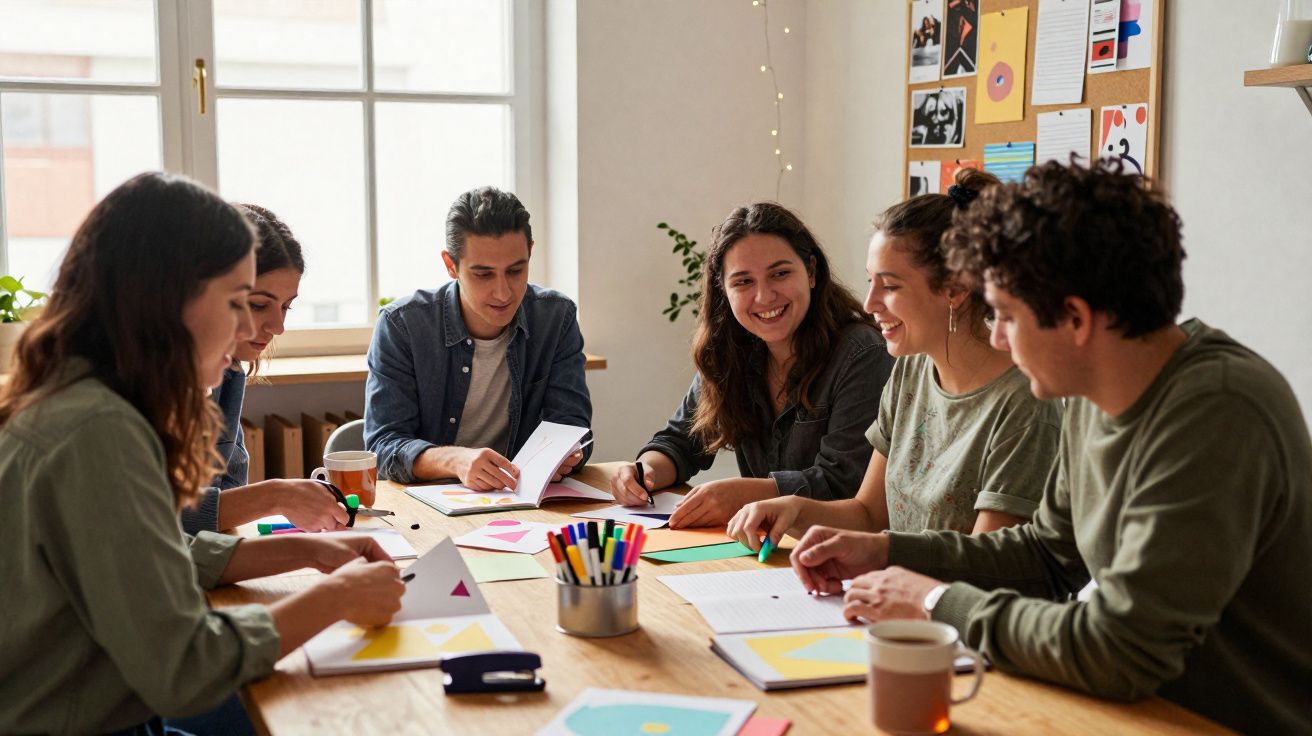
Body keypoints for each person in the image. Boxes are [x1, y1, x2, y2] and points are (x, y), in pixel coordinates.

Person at [789, 161, 1312, 734]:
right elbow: (1043, 555)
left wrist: (935, 602)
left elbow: (1121, 649)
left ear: (1075, 318)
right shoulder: (1092, 390)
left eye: (1007, 316)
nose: (994, 336)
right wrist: (887, 551)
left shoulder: (1218, 412)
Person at [0, 172, 404, 735]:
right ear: (168, 300)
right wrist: (336, 597)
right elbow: (184, 668)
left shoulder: (84, 399)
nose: (251, 329)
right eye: (239, 301)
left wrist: (310, 553)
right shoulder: (98, 430)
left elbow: (165, 556)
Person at [727, 170, 1060, 552]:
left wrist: (878, 566)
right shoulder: (911, 370)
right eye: (871, 282)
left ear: (956, 289)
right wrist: (793, 510)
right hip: (891, 598)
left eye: (891, 286)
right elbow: (869, 515)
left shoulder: (1024, 405)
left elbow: (983, 568)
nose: (870, 305)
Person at [610, 202, 893, 529]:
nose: (764, 296)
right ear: (723, 289)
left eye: (780, 273)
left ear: (812, 272)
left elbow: (844, 486)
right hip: (767, 549)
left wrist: (746, 495)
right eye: (743, 281)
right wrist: (644, 473)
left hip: (841, 555)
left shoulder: (862, 354)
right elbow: (681, 442)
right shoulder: (729, 349)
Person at [366, 186, 592, 487]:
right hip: (430, 506)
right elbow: (383, 448)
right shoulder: (402, 326)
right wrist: (456, 460)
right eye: (483, 274)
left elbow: (575, 428)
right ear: (451, 265)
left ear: (530, 253)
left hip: (524, 502)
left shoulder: (557, 318)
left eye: (515, 270)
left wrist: (568, 452)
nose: (503, 292)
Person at [180, 203, 349, 536]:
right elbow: (157, 519)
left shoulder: (228, 370)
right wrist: (276, 496)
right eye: (258, 305)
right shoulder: (137, 389)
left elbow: (224, 493)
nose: (278, 326)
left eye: (286, 306)